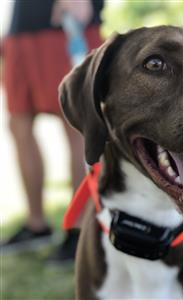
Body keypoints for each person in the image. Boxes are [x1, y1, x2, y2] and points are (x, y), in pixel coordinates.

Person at [0, 0, 104, 263]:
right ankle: (37, 225)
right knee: (18, 123)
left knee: (74, 124)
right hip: (23, 28)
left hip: (63, 24)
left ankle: (81, 227)